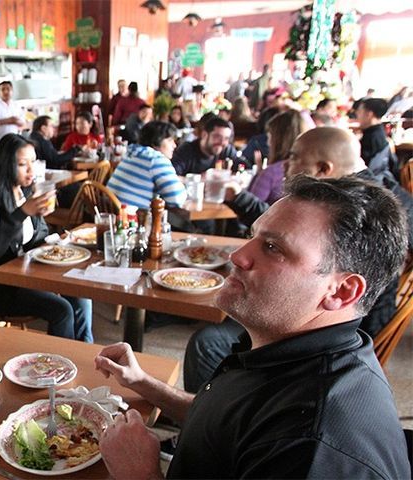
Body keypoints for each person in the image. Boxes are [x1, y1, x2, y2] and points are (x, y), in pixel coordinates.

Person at [97, 174, 411, 479]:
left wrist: (139, 473)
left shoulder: (312, 451)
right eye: (253, 237)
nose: (238, 256)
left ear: (341, 291)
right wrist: (143, 383)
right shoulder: (283, 347)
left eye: (273, 248)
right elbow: (229, 421)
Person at [194, 127, 413, 393]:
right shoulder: (352, 196)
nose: (286, 165)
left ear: (323, 169)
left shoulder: (364, 211)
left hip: (341, 335)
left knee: (210, 340)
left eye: (295, 157)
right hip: (325, 327)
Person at [0, 134, 93, 342]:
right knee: (62, 310)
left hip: (27, 272)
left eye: (34, 162)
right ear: (6, 165)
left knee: (81, 294)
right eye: (23, 164)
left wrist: (56, 241)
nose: (31, 170)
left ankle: (87, 352)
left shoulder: (24, 191)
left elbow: (37, 235)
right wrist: (22, 212)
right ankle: (60, 364)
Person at [107, 121, 187, 209]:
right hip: (132, 218)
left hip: (110, 212)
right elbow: (176, 198)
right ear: (156, 142)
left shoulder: (132, 153)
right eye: (170, 141)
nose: (174, 145)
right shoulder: (155, 159)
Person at [246, 110, 308, 205]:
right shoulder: (308, 170)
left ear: (278, 140)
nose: (267, 142)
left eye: (270, 136)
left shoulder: (271, 173)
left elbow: (249, 207)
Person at [171, 116, 242, 175]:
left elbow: (244, 165)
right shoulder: (186, 151)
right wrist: (199, 179)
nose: (222, 142)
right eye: (217, 136)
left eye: (226, 138)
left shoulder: (226, 149)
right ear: (204, 135)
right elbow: (171, 177)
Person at [355, 97, 397, 179]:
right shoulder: (378, 131)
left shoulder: (371, 138)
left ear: (369, 114)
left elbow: (360, 167)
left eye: (359, 111)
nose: (357, 115)